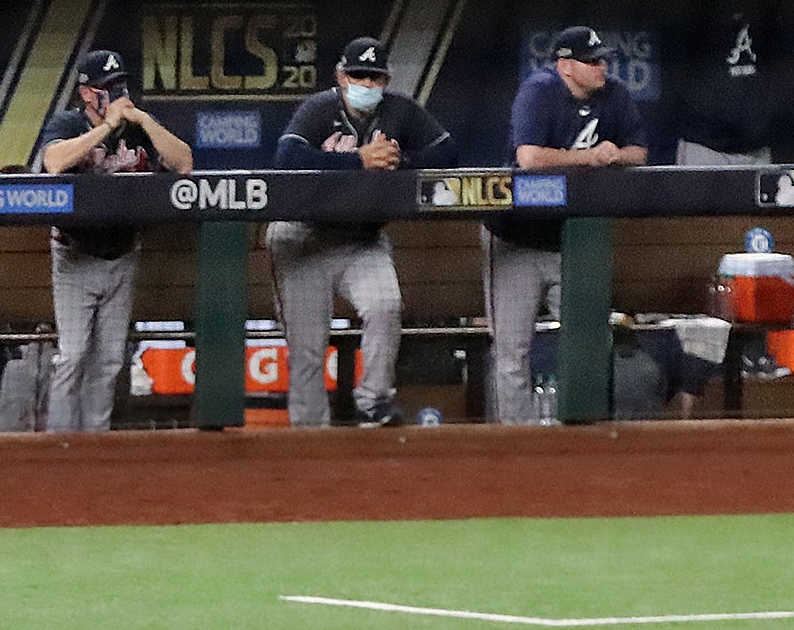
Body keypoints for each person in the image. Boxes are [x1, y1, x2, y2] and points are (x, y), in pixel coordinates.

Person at [271, 38, 456, 427]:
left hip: (362, 240)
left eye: (375, 77)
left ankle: (373, 402)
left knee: (385, 307)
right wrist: (358, 160)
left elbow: (447, 152)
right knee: (307, 349)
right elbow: (287, 158)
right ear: (341, 76)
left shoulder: (400, 111)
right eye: (359, 75)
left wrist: (401, 158)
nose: (367, 84)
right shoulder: (319, 109)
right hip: (305, 236)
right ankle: (309, 431)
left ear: (385, 80)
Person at [485, 27, 648, 425]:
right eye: (591, 61)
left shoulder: (615, 95)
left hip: (573, 242)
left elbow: (639, 152)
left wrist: (615, 155)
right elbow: (528, 158)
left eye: (602, 59)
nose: (601, 67)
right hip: (516, 237)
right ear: (565, 66)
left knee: (590, 341)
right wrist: (592, 157)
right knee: (512, 350)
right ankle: (516, 441)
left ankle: (583, 435)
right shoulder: (539, 91)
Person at [34, 48, 194, 432]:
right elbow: (53, 162)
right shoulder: (68, 122)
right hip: (75, 256)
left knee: (108, 361)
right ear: (87, 93)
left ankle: (96, 443)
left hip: (123, 253)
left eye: (120, 84)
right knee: (72, 357)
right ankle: (57, 446)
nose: (117, 92)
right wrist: (105, 129)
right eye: (108, 87)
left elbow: (184, 162)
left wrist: (142, 120)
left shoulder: (138, 126)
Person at [670, 0, 784, 166]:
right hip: (705, 148)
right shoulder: (694, 19)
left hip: (756, 150)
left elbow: (778, 74)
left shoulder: (765, 17)